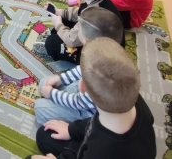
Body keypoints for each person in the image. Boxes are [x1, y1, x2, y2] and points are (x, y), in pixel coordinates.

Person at [27, 38, 156, 159]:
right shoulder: (129, 98)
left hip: (95, 148)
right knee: (47, 133)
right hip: (100, 138)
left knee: (43, 136)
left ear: (83, 87)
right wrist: (71, 130)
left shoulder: (99, 150)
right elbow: (93, 122)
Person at [35, 6, 123, 127]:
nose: (75, 29)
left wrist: (52, 94)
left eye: (78, 29)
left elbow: (80, 103)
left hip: (90, 111)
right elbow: (81, 70)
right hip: (86, 91)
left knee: (39, 108)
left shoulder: (102, 77)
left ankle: (79, 124)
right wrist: (60, 79)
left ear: (86, 41)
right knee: (44, 83)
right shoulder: (103, 53)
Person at [44, 0, 123, 65]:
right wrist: (60, 12)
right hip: (103, 36)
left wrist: (58, 25)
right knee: (62, 21)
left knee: (51, 43)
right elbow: (80, 11)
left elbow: (71, 40)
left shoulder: (90, 15)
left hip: (101, 56)